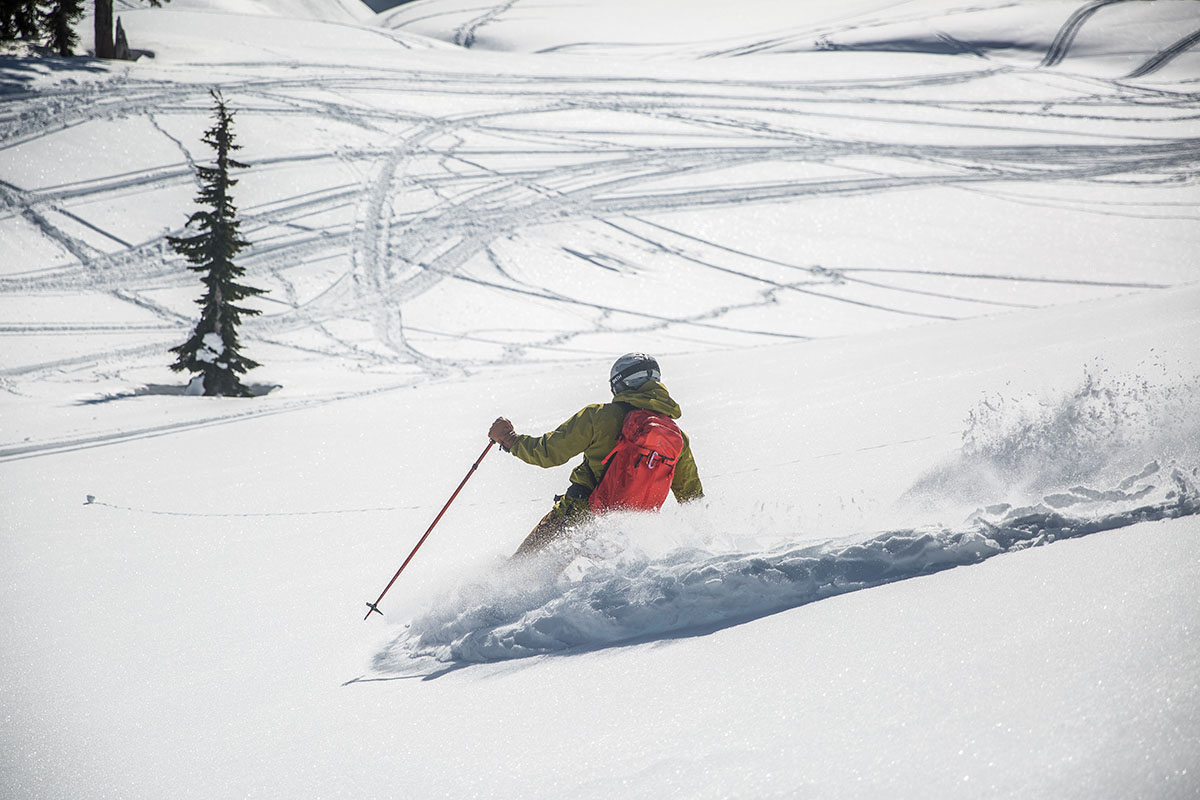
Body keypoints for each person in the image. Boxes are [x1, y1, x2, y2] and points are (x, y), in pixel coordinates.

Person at [488, 353, 703, 557]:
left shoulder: (599, 417)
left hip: (575, 519)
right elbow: (692, 499)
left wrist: (509, 439)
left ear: (619, 384)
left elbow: (548, 453)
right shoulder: (676, 437)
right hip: (627, 538)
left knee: (520, 572)